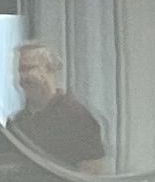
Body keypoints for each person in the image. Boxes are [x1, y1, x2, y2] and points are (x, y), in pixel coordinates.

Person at [9, 39, 106, 170]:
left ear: (50, 70)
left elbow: (92, 173)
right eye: (20, 71)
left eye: (29, 68)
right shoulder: (17, 123)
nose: (22, 77)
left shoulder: (77, 118)